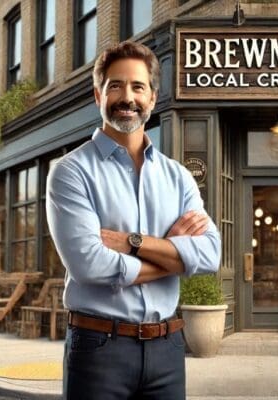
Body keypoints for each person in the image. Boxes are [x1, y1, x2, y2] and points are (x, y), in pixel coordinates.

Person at [46, 41, 221, 399]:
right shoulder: (70, 173)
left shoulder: (178, 177)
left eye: (138, 87)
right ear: (98, 96)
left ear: (153, 98)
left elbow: (210, 255)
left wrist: (133, 242)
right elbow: (89, 265)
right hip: (98, 349)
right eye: (116, 86)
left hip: (169, 349)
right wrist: (173, 257)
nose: (128, 97)